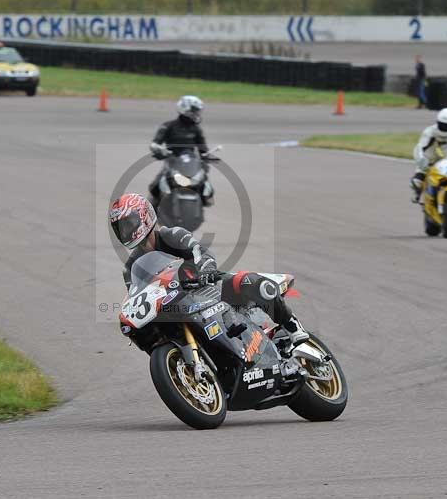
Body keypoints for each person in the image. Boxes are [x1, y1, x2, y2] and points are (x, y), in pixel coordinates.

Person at [109, 193, 309, 345]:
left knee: (251, 282)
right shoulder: (130, 269)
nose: (125, 231)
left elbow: (200, 252)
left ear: (144, 217)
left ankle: (292, 326)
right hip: (178, 308)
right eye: (120, 228)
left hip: (208, 288)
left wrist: (205, 269)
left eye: (128, 224)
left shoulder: (173, 235)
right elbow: (138, 296)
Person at [148, 95, 214, 208]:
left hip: (190, 162)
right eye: (194, 110)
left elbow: (203, 148)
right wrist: (157, 149)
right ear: (185, 108)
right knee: (155, 186)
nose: (197, 113)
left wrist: (207, 156)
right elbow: (156, 142)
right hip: (172, 161)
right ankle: (151, 208)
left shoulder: (196, 129)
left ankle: (203, 199)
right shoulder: (168, 126)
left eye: (198, 111)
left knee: (204, 181)